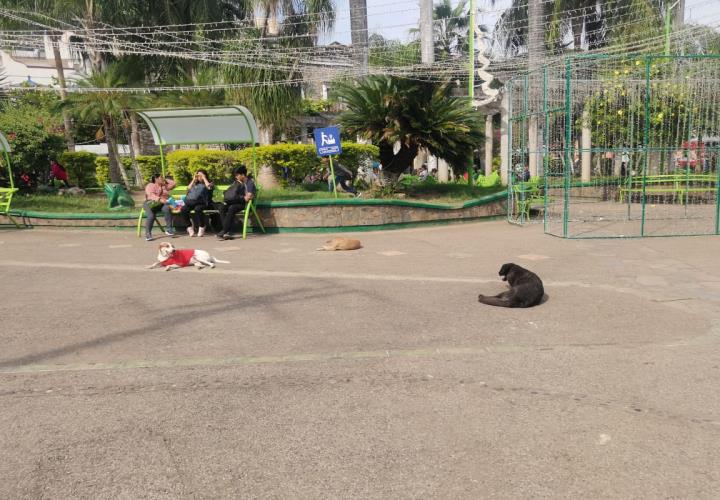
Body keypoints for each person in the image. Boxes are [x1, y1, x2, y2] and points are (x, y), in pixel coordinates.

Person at [215, 166, 256, 240]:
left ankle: (225, 230)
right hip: (235, 202)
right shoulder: (236, 182)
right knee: (222, 207)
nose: (236, 176)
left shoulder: (249, 183)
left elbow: (248, 197)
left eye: (237, 175)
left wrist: (240, 197)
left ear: (243, 175)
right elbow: (231, 194)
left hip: (244, 204)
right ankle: (228, 231)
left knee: (232, 208)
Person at [144, 173, 177, 241]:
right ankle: (148, 234)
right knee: (151, 216)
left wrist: (165, 179)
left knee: (167, 208)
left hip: (161, 204)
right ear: (156, 179)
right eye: (161, 177)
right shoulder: (150, 185)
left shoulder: (164, 186)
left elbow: (174, 183)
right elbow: (150, 195)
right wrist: (160, 199)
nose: (162, 179)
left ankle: (169, 229)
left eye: (162, 177)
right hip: (150, 204)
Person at [181, 169, 214, 237]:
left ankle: (202, 226)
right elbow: (188, 189)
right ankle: (189, 227)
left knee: (198, 209)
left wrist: (204, 178)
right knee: (183, 209)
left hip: (203, 203)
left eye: (201, 175)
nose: (199, 177)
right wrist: (193, 179)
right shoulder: (195, 183)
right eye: (198, 176)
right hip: (192, 202)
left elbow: (209, 187)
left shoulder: (210, 182)